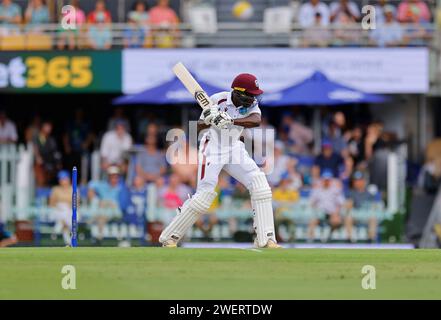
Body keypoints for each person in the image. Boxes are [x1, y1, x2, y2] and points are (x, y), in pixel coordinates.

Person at [159, 73, 280, 248]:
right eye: (251, 94)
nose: (253, 98)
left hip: (234, 147)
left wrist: (230, 120)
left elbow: (256, 120)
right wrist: (209, 119)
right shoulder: (218, 100)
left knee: (260, 185)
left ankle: (266, 238)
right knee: (204, 196)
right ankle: (170, 237)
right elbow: (197, 127)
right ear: (238, 93)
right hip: (212, 148)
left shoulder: (252, 104)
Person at [88, 166, 125, 244]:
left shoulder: (121, 187)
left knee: (102, 212)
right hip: (103, 209)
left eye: (116, 177)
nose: (114, 179)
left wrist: (108, 203)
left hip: (116, 210)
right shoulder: (103, 185)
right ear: (108, 177)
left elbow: (122, 205)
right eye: (112, 176)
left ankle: (97, 233)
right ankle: (98, 235)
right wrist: (94, 197)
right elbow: (91, 185)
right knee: (99, 207)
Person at [308, 170, 345, 242]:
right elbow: (311, 202)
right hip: (320, 213)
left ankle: (329, 236)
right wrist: (316, 209)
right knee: (313, 220)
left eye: (328, 180)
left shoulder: (335, 190)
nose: (326, 182)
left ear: (330, 180)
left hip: (332, 213)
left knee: (336, 220)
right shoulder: (317, 190)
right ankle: (310, 240)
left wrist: (336, 212)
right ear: (322, 180)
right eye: (325, 180)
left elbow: (341, 203)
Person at [345, 171, 380, 243]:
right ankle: (349, 240)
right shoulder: (351, 193)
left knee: (373, 218)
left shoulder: (369, 193)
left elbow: (374, 206)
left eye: (359, 180)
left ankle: (370, 240)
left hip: (366, 214)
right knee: (348, 217)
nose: (358, 182)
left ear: (363, 181)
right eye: (356, 181)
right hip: (356, 213)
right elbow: (348, 205)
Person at [49, 170, 75, 246]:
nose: (62, 181)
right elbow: (51, 203)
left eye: (64, 179)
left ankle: (57, 229)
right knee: (63, 212)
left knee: (66, 213)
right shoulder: (55, 189)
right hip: (58, 210)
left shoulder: (73, 189)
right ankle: (68, 241)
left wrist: (66, 205)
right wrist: (60, 206)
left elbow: (75, 203)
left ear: (68, 179)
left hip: (70, 211)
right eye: (61, 179)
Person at [33, 121, 62, 187]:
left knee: (55, 169)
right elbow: (35, 148)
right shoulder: (37, 137)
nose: (49, 129)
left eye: (50, 127)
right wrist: (38, 157)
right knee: (39, 169)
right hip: (40, 162)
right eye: (47, 127)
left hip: (50, 161)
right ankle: (40, 187)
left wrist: (58, 162)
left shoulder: (51, 139)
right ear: (42, 127)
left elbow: (55, 151)